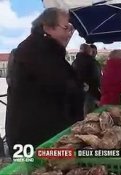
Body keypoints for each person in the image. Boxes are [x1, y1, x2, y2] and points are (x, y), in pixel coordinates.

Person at [5, 8, 84, 157]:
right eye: (66, 28)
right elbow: (60, 84)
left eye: (71, 29)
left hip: (46, 133)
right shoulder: (34, 51)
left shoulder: (47, 49)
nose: (69, 34)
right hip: (35, 138)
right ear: (47, 27)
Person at [72, 43, 100, 115]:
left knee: (80, 114)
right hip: (90, 92)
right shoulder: (92, 62)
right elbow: (97, 78)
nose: (94, 54)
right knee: (89, 115)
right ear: (89, 51)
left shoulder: (74, 62)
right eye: (93, 52)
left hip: (77, 92)